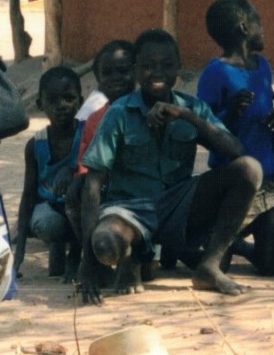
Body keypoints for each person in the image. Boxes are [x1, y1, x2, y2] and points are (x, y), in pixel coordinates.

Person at [77, 29, 261, 303]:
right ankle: (130, 258)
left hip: (179, 206)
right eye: (148, 66)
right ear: (136, 70)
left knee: (249, 169)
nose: (157, 73)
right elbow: (93, 183)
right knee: (105, 243)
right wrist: (88, 261)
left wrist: (187, 117)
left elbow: (236, 150)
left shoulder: (191, 108)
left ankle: (209, 266)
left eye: (166, 65)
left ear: (178, 69)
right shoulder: (118, 113)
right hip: (129, 209)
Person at [197, 0, 274, 276]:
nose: (264, 28)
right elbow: (202, 128)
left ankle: (239, 244)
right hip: (235, 177)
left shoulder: (262, 66)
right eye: (258, 21)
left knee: (272, 264)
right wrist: (230, 113)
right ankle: (223, 239)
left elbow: (269, 105)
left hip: (269, 176)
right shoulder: (215, 72)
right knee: (218, 264)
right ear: (243, 27)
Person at [64, 40, 135, 267]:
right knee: (77, 189)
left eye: (123, 71)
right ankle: (90, 253)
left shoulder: (147, 111)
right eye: (107, 73)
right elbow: (85, 162)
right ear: (98, 80)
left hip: (140, 190)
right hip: (106, 188)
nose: (116, 78)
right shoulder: (95, 118)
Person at [16, 66, 84, 281]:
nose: (61, 106)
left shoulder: (87, 135)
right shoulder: (36, 145)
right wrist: (19, 254)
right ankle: (56, 245)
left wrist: (72, 169)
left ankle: (75, 255)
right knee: (45, 222)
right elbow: (28, 196)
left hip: (83, 207)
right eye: (52, 100)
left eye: (68, 98)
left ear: (80, 101)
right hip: (52, 210)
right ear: (39, 104)